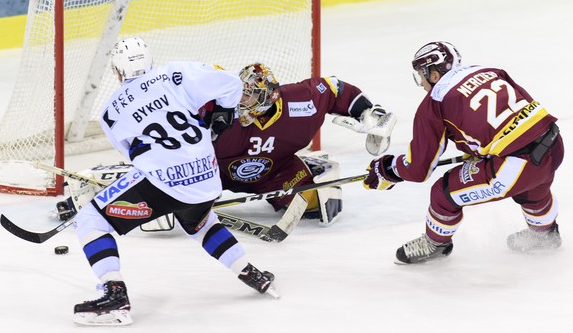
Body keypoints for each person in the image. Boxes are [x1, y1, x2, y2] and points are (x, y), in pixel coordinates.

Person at [71, 37, 277, 326]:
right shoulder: (178, 73)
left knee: (90, 220)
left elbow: (131, 151)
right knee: (200, 222)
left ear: (117, 71)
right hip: (206, 180)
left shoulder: (110, 112)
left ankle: (115, 296)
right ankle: (251, 273)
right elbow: (232, 83)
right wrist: (224, 113)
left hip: (163, 184)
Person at [363, 41, 564, 264]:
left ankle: (435, 244)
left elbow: (419, 168)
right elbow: (519, 112)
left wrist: (388, 169)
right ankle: (544, 234)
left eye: (422, 74)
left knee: (444, 192)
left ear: (434, 73)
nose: (421, 83)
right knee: (534, 187)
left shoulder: (435, 102)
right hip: (554, 144)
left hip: (516, 166)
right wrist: (484, 149)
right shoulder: (488, 71)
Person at [211, 63, 397, 242]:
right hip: (216, 173)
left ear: (270, 96)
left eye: (248, 95)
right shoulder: (222, 111)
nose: (240, 101)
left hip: (276, 172)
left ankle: (312, 167)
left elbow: (334, 89)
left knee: (314, 203)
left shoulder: (300, 101)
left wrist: (367, 112)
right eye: (240, 93)